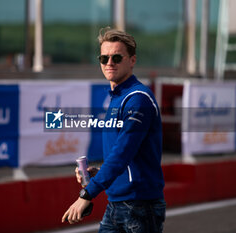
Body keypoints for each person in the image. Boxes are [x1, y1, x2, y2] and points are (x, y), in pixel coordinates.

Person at [61, 27, 166, 233]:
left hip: (139, 206)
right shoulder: (118, 98)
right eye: (104, 58)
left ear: (132, 60)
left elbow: (122, 153)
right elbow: (127, 160)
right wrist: (98, 173)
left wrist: (87, 194)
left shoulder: (137, 99)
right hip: (117, 204)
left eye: (117, 58)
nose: (109, 63)